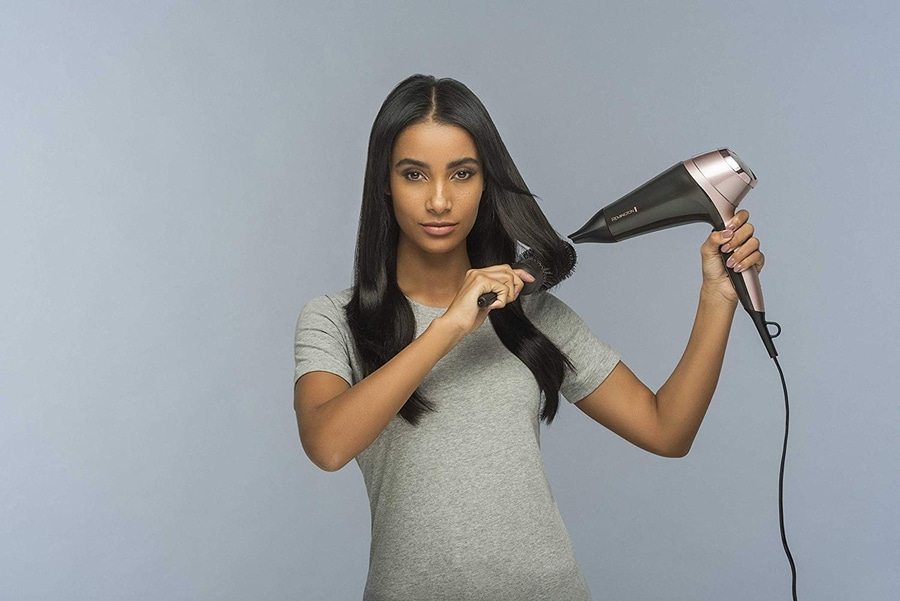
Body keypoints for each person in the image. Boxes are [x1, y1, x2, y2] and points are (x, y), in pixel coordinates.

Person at [293, 74, 765, 600]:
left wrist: (717, 297)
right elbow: (328, 444)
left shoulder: (533, 313)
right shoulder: (335, 319)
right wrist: (450, 325)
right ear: (385, 181)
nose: (440, 201)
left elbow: (667, 431)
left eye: (462, 174)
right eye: (414, 175)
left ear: (485, 181)